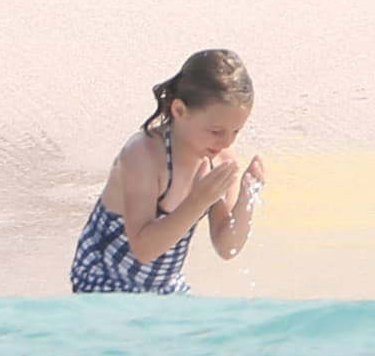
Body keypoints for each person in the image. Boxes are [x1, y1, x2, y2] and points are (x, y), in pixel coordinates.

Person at [70, 48, 265, 295]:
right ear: (179, 111)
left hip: (163, 285)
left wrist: (246, 198)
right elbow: (143, 249)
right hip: (103, 277)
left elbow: (228, 247)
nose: (226, 142)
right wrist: (198, 200)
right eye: (216, 131)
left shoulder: (218, 160)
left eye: (236, 131)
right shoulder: (144, 155)